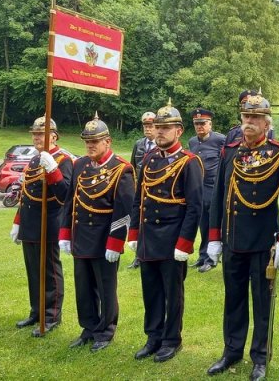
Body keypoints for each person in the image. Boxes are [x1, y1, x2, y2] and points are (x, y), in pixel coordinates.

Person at [206, 93, 279, 381]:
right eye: (246, 117)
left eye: (255, 118)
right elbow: (219, 196)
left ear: (266, 123)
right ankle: (231, 350)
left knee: (261, 303)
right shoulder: (230, 151)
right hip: (233, 238)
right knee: (233, 299)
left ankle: (260, 356)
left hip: (263, 243)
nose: (249, 122)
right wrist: (214, 237)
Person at [128, 101, 203, 363]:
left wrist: (185, 243)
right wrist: (134, 233)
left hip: (172, 238)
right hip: (149, 237)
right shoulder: (148, 159)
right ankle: (153, 336)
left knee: (172, 292)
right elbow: (138, 199)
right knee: (150, 289)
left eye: (165, 127)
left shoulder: (189, 162)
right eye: (157, 127)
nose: (159, 132)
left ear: (179, 131)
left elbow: (195, 207)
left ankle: (172, 340)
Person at [59, 113, 135, 352]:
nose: (90, 145)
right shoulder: (79, 164)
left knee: (105, 287)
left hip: (104, 239)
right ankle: (88, 327)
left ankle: (106, 330)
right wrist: (65, 233)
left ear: (108, 142)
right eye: (87, 141)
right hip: (81, 236)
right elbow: (71, 201)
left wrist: (115, 242)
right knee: (83, 286)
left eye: (95, 141)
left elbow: (124, 209)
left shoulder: (122, 169)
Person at [10, 116, 72, 337]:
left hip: (49, 222)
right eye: (35, 134)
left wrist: (53, 169)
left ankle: (52, 314)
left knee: (49, 271)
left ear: (54, 136)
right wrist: (18, 221)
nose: (37, 137)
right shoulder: (35, 159)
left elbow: (65, 194)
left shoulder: (63, 160)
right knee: (33, 270)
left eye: (41, 134)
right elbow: (26, 192)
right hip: (30, 222)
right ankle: (36, 311)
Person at [188, 108, 225, 273]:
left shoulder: (220, 140)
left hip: (214, 187)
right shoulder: (192, 142)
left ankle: (211, 258)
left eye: (203, 123)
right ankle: (203, 256)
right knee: (203, 224)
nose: (199, 126)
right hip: (198, 188)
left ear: (210, 124)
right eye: (196, 124)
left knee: (213, 223)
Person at [127, 111, 156, 270]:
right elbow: (132, 167)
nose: (148, 129)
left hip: (154, 191)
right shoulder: (139, 144)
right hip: (139, 191)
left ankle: (150, 254)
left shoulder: (161, 145)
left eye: (150, 125)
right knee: (138, 222)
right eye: (145, 125)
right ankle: (138, 256)